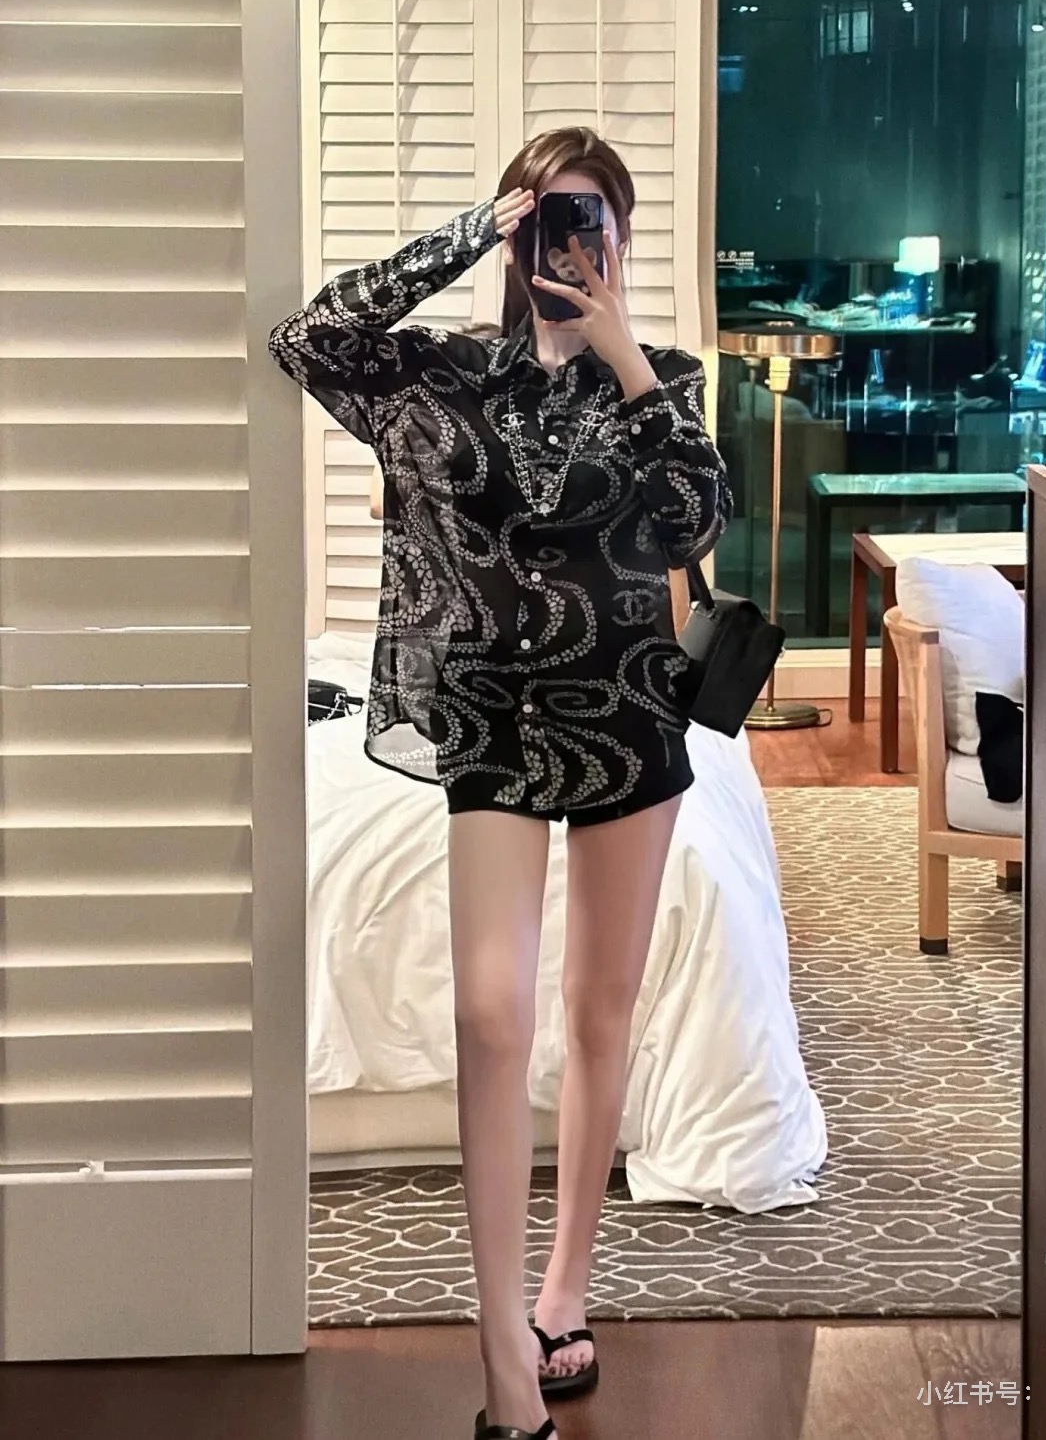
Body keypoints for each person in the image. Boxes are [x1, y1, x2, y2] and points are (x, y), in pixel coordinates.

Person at [270, 128, 732, 1440]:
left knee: (599, 1009)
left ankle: (564, 1288)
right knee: (489, 1012)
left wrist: (625, 349)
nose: (564, 247)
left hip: (629, 716)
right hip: (490, 720)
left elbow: (695, 522)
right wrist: (473, 225)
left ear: (622, 240)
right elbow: (311, 338)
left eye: (590, 223)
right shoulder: (445, 376)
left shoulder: (663, 380)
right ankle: (499, 1355)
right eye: (545, 222)